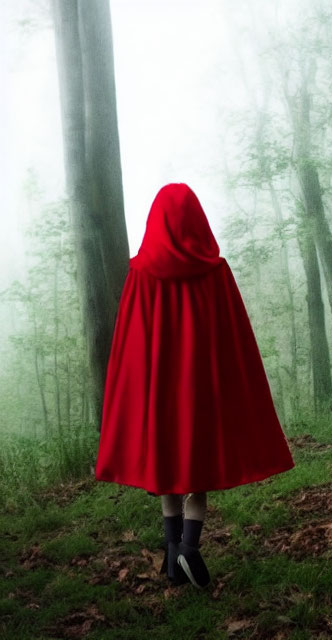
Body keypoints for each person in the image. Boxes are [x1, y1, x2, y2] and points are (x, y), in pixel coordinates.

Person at [96, 183, 294, 587]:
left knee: (165, 467)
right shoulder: (215, 271)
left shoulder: (139, 273)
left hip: (159, 391)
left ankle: (173, 559)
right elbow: (230, 336)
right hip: (200, 390)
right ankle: (187, 549)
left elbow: (132, 342)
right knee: (196, 469)